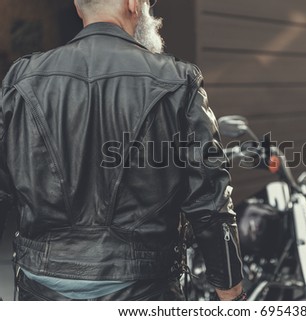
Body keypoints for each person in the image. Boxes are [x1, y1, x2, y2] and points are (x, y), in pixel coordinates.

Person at [0, 0, 244, 301]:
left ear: (79, 6)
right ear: (133, 4)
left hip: (41, 286)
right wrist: (229, 285)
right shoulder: (178, 81)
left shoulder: (21, 79)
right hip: (142, 288)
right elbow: (208, 195)